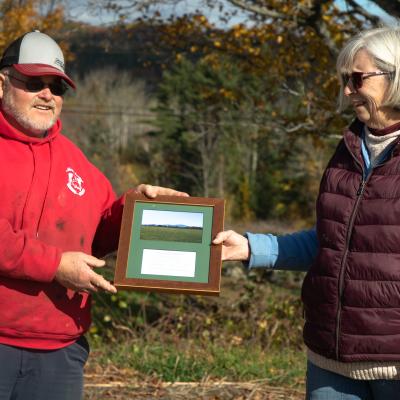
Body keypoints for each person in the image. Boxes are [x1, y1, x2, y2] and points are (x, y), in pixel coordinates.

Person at [214, 26, 400, 399]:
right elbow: (333, 243)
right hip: (331, 363)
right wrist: (251, 248)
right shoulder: (346, 150)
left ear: (395, 76)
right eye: (344, 80)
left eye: (357, 78)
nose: (348, 91)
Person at [0, 30, 187, 400]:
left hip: (60, 354)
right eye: (34, 82)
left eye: (57, 87)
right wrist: (54, 265)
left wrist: (136, 208)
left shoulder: (77, 163)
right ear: (2, 83)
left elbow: (101, 233)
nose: (47, 94)